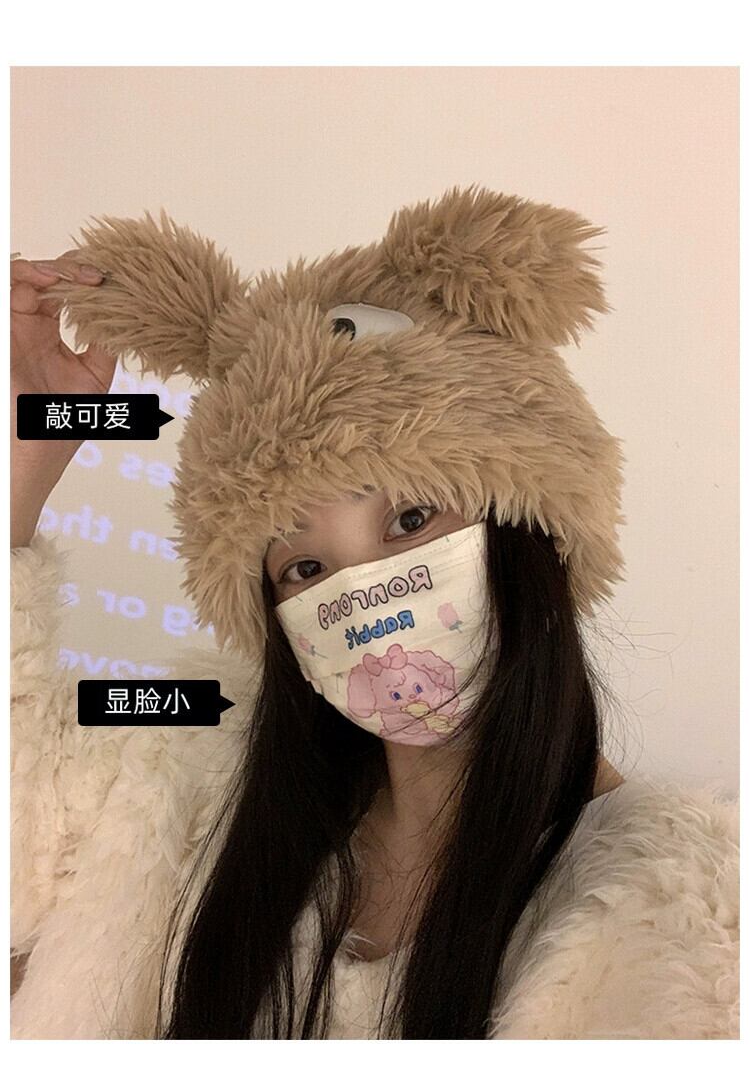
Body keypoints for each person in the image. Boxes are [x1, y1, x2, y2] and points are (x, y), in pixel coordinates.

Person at [10, 186, 739, 1040]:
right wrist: (22, 461)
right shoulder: (191, 755)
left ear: (528, 524)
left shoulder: (687, 922)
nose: (363, 594)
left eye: (411, 518)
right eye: (305, 566)